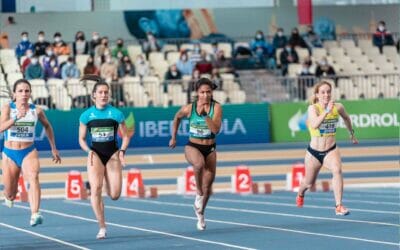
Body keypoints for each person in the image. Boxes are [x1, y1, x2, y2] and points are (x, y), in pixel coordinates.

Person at [0, 79, 61, 226]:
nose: (24, 94)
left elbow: (48, 126)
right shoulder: (8, 108)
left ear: (30, 93)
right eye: (20, 91)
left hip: (28, 151)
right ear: (14, 94)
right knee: (10, 192)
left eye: (27, 91)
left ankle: (35, 213)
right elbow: (1, 127)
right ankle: (9, 196)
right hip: (10, 153)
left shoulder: (37, 110)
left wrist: (53, 147)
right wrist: (16, 118)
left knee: (33, 177)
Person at [78, 74, 131, 239]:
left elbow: (126, 135)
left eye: (106, 92)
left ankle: (106, 178)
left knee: (115, 195)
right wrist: (89, 151)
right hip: (95, 154)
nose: (103, 95)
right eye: (100, 92)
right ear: (94, 95)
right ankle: (102, 226)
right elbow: (80, 139)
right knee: (96, 190)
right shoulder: (86, 115)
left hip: (113, 154)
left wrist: (122, 151)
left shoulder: (116, 114)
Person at [296, 80, 358, 216]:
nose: (326, 95)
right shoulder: (313, 108)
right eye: (323, 92)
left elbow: (347, 118)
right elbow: (314, 125)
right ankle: (300, 193)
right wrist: (326, 111)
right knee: (308, 183)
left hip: (331, 149)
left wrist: (351, 134)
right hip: (314, 153)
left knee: (337, 170)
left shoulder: (338, 107)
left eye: (328, 92)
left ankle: (338, 205)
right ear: (317, 95)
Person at [169, 77, 222, 231]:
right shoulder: (189, 108)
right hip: (193, 146)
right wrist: (174, 136)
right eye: (202, 92)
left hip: (210, 148)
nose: (205, 95)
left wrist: (206, 115)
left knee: (209, 187)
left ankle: (201, 214)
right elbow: (177, 117)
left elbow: (216, 130)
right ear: (197, 93)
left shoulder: (216, 108)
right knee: (198, 165)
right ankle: (197, 193)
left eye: (208, 92)